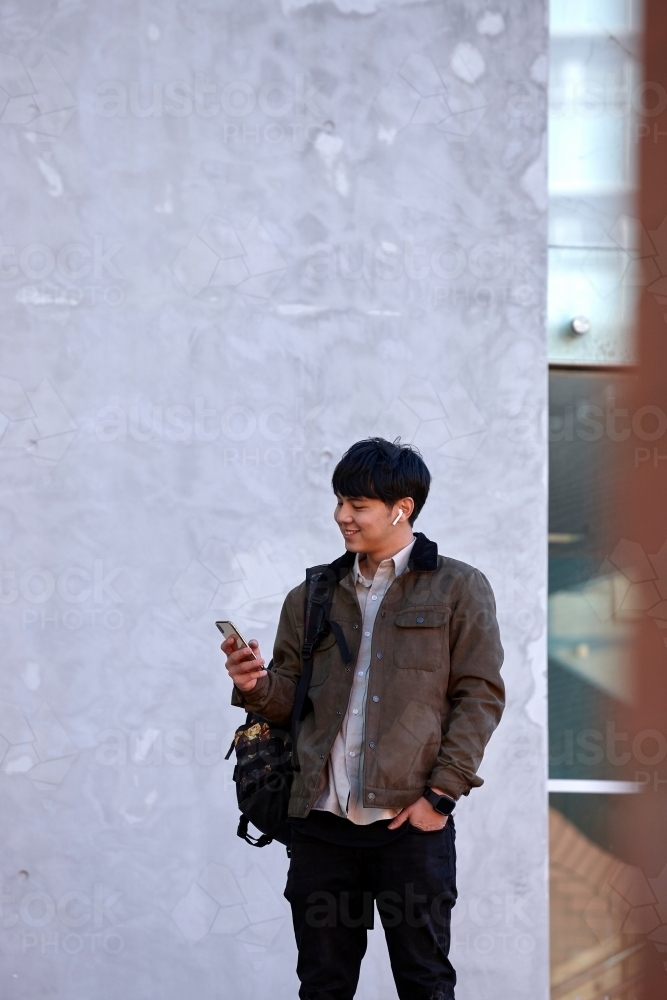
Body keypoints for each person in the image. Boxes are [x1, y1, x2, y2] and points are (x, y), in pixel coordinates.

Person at [222, 437, 505, 1000]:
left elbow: (480, 697)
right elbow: (290, 701)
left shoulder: (458, 587)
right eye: (339, 502)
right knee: (323, 986)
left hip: (410, 827)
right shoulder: (312, 595)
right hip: (322, 828)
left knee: (425, 984)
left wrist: (440, 797)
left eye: (357, 505)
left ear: (403, 507)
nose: (341, 516)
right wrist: (254, 685)